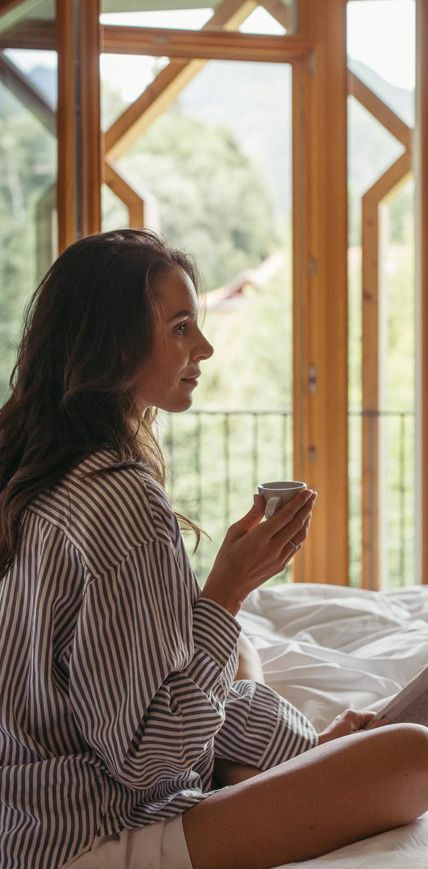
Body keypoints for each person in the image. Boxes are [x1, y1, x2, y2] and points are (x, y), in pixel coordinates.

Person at [0, 229, 427, 869]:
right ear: (112, 344)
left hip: (25, 811)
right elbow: (148, 763)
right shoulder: (118, 499)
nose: (204, 346)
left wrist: (307, 751)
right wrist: (228, 590)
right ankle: (292, 754)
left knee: (237, 649)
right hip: (86, 835)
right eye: (179, 328)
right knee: (410, 753)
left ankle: (297, 751)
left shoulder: (33, 466)